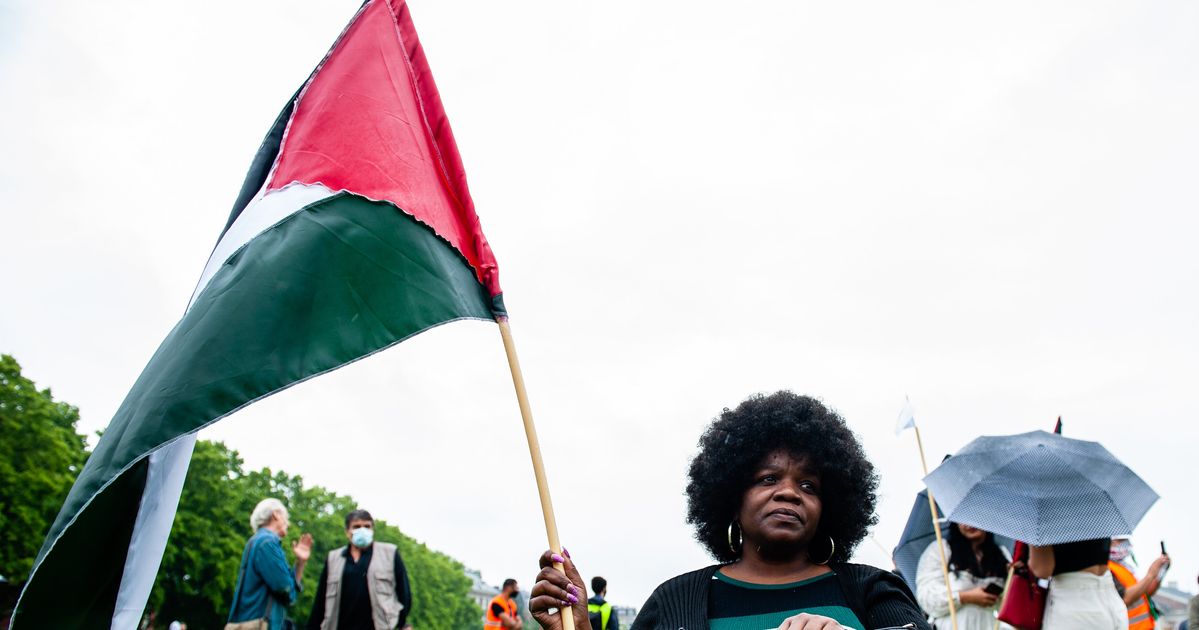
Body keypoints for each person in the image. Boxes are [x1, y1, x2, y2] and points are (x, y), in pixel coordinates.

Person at [529, 391, 931, 630]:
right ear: (732, 499)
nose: (789, 493)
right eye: (768, 479)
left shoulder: (873, 590)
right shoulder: (673, 601)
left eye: (808, 485)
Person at [307, 509, 412, 630]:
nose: (362, 530)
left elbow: (404, 594)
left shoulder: (389, 553)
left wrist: (401, 622)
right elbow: (320, 601)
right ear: (347, 532)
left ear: (372, 530)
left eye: (367, 526)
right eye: (356, 527)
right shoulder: (334, 558)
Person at [227, 498, 314, 629]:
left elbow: (286, 589)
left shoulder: (258, 541)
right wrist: (291, 588)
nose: (288, 523)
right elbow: (286, 591)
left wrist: (300, 563)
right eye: (286, 518)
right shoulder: (267, 542)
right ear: (276, 514)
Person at [915, 522, 1012, 630]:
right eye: (963, 520)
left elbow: (1011, 604)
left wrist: (1016, 577)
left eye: (976, 518)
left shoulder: (1002, 554)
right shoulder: (941, 549)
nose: (969, 524)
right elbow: (926, 598)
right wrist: (965, 597)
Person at [1028, 538, 1124, 629]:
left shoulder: (1045, 525)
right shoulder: (1099, 524)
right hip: (1113, 600)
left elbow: (1042, 570)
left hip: (1075, 607)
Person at [1107, 537, 1169, 630]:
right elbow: (1124, 599)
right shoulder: (1108, 569)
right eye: (1121, 541)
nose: (1126, 543)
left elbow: (1145, 593)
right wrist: (1150, 575)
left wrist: (1160, 573)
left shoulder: (1124, 567)